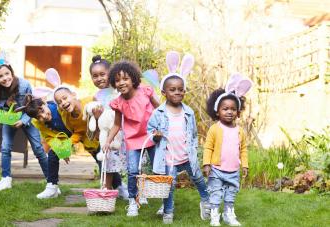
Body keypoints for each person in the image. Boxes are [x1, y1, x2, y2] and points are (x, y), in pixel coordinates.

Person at [147, 75, 210, 224]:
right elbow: (150, 131)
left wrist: (193, 149)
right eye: (173, 90)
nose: (177, 93)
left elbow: (193, 134)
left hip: (187, 156)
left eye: (181, 90)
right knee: (169, 186)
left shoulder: (188, 112)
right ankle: (168, 211)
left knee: (199, 179)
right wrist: (155, 137)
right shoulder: (158, 113)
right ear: (164, 92)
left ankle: (206, 201)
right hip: (169, 158)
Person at [103, 60, 159, 217]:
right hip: (133, 140)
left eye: (125, 78)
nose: (121, 82)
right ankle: (133, 201)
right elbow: (116, 125)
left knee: (159, 169)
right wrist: (108, 141)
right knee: (133, 171)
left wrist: (164, 127)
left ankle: (165, 203)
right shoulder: (118, 103)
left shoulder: (145, 92)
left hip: (152, 136)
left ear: (133, 79)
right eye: (117, 80)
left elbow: (160, 109)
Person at [0, 60, 48, 192]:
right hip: (9, 119)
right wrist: (4, 104)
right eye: (0, 76)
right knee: (5, 147)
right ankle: (6, 179)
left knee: (38, 149)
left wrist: (23, 120)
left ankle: (52, 181)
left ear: (12, 72)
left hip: (27, 117)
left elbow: (33, 106)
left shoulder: (24, 85)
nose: (5, 78)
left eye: (7, 74)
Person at [203, 81, 251, 226]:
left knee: (231, 195)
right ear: (217, 111)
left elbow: (243, 149)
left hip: (233, 170)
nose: (229, 112)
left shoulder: (240, 131)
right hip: (217, 169)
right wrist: (206, 164)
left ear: (238, 112)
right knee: (216, 193)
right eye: (225, 109)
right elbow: (208, 148)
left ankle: (228, 214)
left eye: (233, 109)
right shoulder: (214, 129)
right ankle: (215, 215)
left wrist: (245, 165)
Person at [89, 55, 128, 199]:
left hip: (123, 133)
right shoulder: (96, 98)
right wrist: (98, 117)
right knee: (107, 165)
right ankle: (106, 192)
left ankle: (133, 193)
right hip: (107, 137)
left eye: (102, 74)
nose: (99, 78)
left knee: (131, 165)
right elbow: (96, 125)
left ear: (110, 73)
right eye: (95, 76)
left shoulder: (119, 90)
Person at [19, 95, 71, 198]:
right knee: (52, 154)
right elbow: (48, 137)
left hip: (79, 133)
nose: (44, 116)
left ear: (45, 103)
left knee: (98, 153)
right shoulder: (39, 123)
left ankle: (110, 185)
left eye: (43, 111)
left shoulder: (58, 108)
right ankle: (52, 187)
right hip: (64, 138)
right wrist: (63, 150)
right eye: (39, 117)